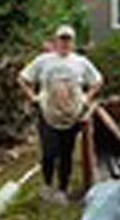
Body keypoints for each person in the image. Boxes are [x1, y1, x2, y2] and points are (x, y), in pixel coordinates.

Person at [18, 25, 103, 204]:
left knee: (66, 154)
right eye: (61, 39)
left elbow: (97, 80)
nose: (65, 43)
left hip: (71, 115)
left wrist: (86, 98)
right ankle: (47, 186)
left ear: (73, 42)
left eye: (68, 39)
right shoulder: (43, 61)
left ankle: (62, 190)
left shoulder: (81, 62)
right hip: (48, 114)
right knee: (49, 153)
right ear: (55, 41)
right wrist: (33, 97)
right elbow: (23, 78)